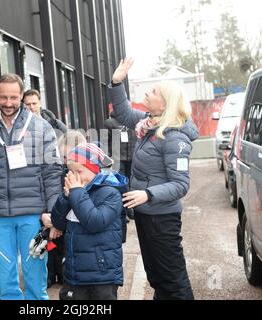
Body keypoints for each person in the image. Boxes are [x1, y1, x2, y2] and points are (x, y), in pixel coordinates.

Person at [0, 73, 63, 300]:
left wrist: (52, 211)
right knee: (6, 286)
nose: (8, 103)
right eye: (3, 97)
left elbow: (52, 172)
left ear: (22, 96)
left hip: (32, 216)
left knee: (36, 285)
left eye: (14, 98)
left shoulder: (41, 127)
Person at [109, 58, 197, 300]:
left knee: (173, 281)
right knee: (157, 278)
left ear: (165, 103)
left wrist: (148, 194)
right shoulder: (149, 124)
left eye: (154, 91)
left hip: (162, 219)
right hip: (146, 215)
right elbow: (124, 112)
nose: (147, 93)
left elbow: (181, 184)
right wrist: (117, 82)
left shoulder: (175, 137)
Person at [51, 143, 128, 300]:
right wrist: (65, 198)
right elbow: (58, 223)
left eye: (79, 171)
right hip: (75, 271)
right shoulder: (74, 192)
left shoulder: (111, 193)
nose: (75, 176)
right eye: (71, 171)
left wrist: (76, 193)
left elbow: (95, 223)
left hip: (102, 273)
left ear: (95, 170)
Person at [42, 130, 87, 288]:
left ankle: (63, 273)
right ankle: (52, 273)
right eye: (64, 157)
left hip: (75, 225)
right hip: (58, 220)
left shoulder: (87, 174)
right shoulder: (60, 171)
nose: (65, 160)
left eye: (68, 156)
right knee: (52, 244)